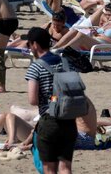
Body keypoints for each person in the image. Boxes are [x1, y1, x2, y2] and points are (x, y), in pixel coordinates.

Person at [25, 27, 77, 174]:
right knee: (65, 167)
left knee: (49, 168)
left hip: (50, 121)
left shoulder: (36, 67)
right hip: (69, 118)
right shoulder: (66, 63)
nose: (29, 48)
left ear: (35, 44)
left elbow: (33, 100)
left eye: (29, 44)